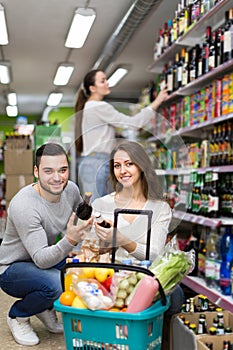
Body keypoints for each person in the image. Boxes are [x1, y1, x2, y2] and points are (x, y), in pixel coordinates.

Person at [0, 143, 93, 346]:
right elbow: (42, 259)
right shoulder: (24, 205)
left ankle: (43, 307)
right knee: (57, 283)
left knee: (78, 270)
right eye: (48, 171)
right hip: (12, 269)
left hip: (43, 257)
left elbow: (78, 218)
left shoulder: (70, 190)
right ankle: (18, 315)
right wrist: (70, 240)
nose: (57, 178)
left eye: (63, 170)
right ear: (36, 171)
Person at [92, 140, 185, 315]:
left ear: (142, 166)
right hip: (110, 276)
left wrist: (122, 239)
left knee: (176, 294)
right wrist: (103, 244)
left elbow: (155, 253)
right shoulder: (101, 205)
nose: (122, 171)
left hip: (145, 278)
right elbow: (92, 253)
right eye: (117, 166)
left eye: (129, 164)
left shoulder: (159, 208)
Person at [74, 69, 168, 202]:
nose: (107, 83)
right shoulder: (99, 106)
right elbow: (133, 123)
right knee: (102, 210)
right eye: (102, 81)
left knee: (97, 209)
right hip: (98, 163)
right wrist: (157, 101)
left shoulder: (88, 107)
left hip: (90, 163)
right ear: (92, 88)